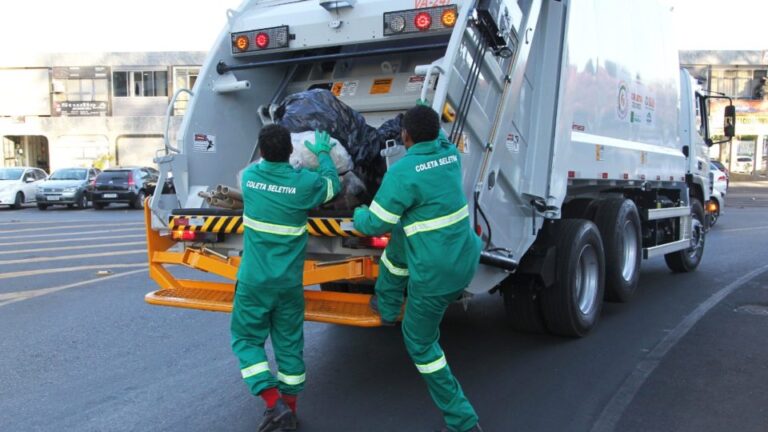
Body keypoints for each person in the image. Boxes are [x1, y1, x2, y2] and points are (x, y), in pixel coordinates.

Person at [353, 105, 483, 432]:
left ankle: (462, 420)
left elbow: (375, 223)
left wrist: (357, 213)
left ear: (405, 135)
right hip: (464, 256)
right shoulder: (450, 155)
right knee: (398, 244)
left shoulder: (403, 172)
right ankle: (387, 304)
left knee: (421, 343)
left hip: (436, 275)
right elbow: (436, 139)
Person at [231, 125, 341, 432]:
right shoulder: (305, 184)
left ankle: (273, 403)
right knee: (290, 347)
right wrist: (322, 154)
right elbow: (333, 187)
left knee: (246, 339)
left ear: (262, 151)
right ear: (291, 151)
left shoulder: (250, 180)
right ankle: (288, 411)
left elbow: (259, 175)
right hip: (289, 285)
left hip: (254, 281)